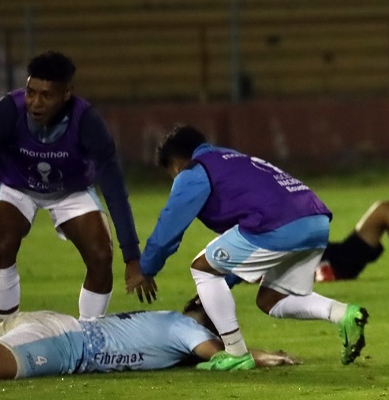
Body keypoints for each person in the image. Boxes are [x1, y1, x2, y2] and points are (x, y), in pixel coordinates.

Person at [126, 125, 368, 370]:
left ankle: (235, 352)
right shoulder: (232, 159)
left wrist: (146, 268)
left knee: (202, 268)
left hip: (278, 226)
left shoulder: (195, 171)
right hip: (315, 221)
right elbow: (240, 243)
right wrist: (223, 283)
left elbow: (170, 225)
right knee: (271, 299)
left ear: (176, 163)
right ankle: (345, 314)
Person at [0, 50, 145, 321]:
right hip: (16, 186)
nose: (35, 103)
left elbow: (115, 190)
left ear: (66, 93)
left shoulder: (87, 122)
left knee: (101, 255)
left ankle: (88, 337)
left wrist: (132, 257)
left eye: (46, 95)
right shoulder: (6, 112)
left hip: (70, 191)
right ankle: (10, 332)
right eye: (30, 92)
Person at [0, 303, 299, 381]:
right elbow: (225, 357)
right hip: (63, 343)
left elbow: (210, 354)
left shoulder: (171, 325)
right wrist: (262, 357)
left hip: (54, 327)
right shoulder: (184, 327)